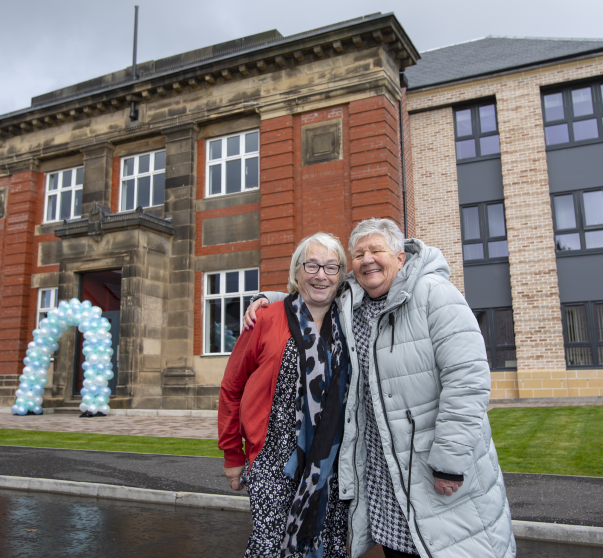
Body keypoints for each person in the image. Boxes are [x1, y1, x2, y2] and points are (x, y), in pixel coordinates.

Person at [244, 218, 515, 558]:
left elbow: (468, 381)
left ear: (400, 257)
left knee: (453, 545)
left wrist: (450, 461)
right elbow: (314, 292)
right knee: (399, 547)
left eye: (377, 250)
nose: (367, 259)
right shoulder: (351, 301)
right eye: (358, 254)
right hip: (382, 473)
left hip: (433, 467)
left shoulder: (435, 294)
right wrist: (266, 299)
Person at [218, 232, 352, 558]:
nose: (321, 275)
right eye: (313, 265)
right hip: (273, 464)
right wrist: (233, 455)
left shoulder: (351, 320)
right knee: (270, 547)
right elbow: (232, 387)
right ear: (296, 272)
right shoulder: (264, 318)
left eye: (331, 267)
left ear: (341, 276)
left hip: (331, 468)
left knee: (326, 547)